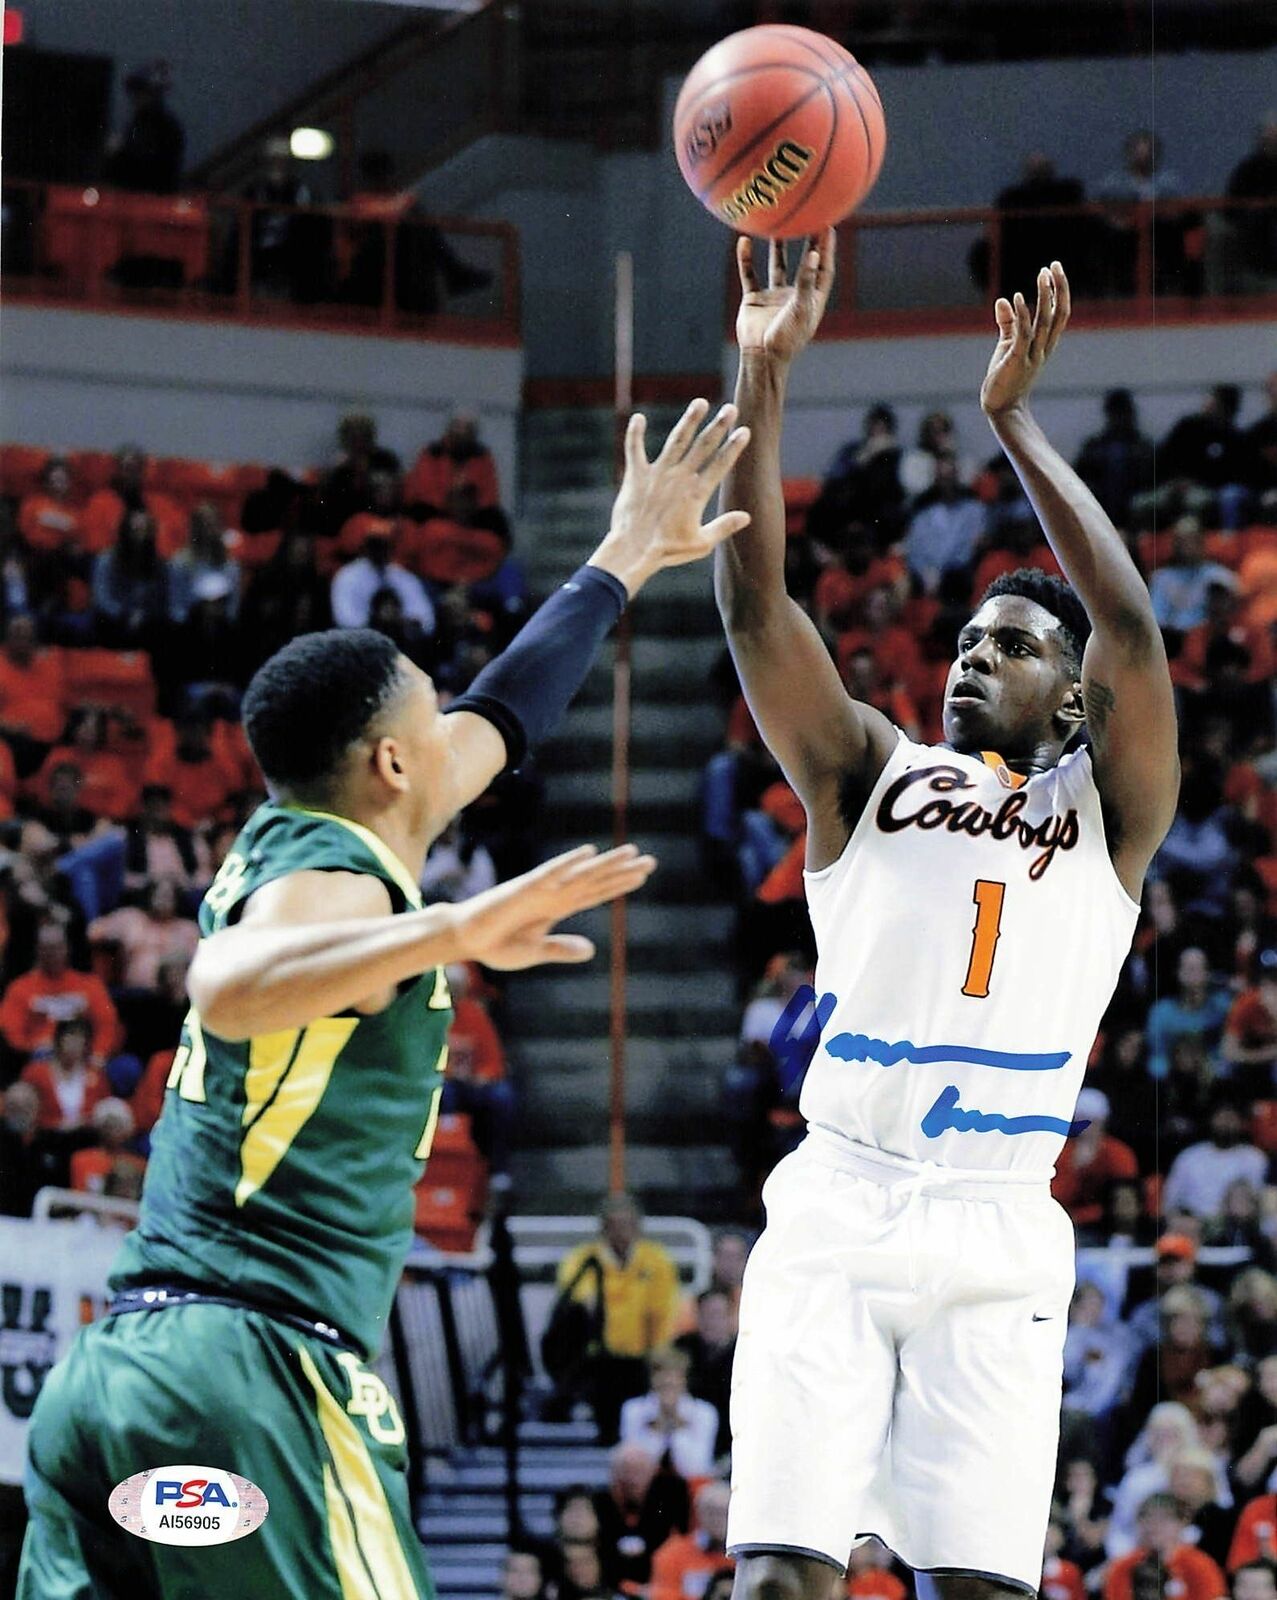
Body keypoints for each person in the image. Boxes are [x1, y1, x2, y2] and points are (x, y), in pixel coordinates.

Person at [16, 398, 752, 1600]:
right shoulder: (333, 887)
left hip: (119, 1378)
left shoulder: (312, 828)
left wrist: (620, 559)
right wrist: (454, 929)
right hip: (255, 1379)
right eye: (427, 706)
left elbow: (504, 714)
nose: (450, 720)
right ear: (392, 764)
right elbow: (230, 984)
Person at [715, 238, 1177, 1600]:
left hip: (1000, 1221)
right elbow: (754, 606)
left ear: (1072, 699)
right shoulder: (869, 770)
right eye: (968, 639)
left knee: (978, 1589)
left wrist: (1012, 420)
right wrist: (763, 367)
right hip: (842, 1194)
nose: (976, 653)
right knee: (779, 1578)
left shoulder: (1112, 815)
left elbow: (1133, 632)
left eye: (1015, 645)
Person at [593, 1443, 690, 1590]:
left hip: (660, 1583)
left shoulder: (671, 1500)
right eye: (626, 1470)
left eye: (639, 1471)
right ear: (614, 1475)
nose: (632, 1478)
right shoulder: (600, 1504)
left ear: (653, 1472)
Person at [620, 1346, 720, 1478]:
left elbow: (697, 1468)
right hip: (645, 1484)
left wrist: (677, 1426)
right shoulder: (633, 1409)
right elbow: (635, 1467)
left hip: (690, 1483)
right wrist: (658, 1426)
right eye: (661, 1374)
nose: (668, 1380)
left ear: (685, 1379)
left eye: (674, 1375)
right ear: (651, 1378)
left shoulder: (704, 1412)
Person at [1103, 1493, 1227, 1600]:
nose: (1154, 1526)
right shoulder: (1123, 1567)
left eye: (1163, 1518)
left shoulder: (1200, 1566)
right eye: (1147, 1518)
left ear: (1181, 1523)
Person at [1162, 1098, 1269, 1221]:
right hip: (1194, 1224)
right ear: (1212, 1121)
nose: (1226, 1124)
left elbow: (1260, 1200)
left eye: (1231, 1119)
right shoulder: (1189, 1156)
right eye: (1221, 1118)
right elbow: (1171, 1200)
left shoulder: (1254, 1157)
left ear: (1241, 1123)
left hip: (1235, 1224)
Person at [103, 60, 185, 195]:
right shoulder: (141, 123)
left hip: (148, 200)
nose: (134, 98)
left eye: (140, 91)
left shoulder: (160, 127)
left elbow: (146, 167)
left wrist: (116, 152)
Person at [649, 1480, 732, 1600]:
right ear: (697, 1511)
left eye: (725, 1511)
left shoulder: (746, 1555)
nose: (718, 1519)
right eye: (711, 1511)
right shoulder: (672, 1554)